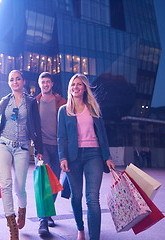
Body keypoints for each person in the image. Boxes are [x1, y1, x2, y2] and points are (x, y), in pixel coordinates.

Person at [0, 70, 43, 240]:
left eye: (18, 79)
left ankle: (22, 209)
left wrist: (39, 149)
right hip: (3, 144)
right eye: (11, 79)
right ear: (9, 83)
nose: (15, 82)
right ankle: (12, 227)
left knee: (19, 187)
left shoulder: (31, 102)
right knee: (5, 184)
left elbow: (36, 126)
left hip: (23, 148)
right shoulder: (4, 102)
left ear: (23, 81)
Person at [57, 73, 115, 240]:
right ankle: (80, 228)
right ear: (70, 88)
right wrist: (63, 158)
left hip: (94, 155)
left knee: (93, 199)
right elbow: (61, 137)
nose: (76, 87)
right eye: (73, 84)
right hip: (73, 157)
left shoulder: (94, 109)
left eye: (79, 84)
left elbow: (102, 134)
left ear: (84, 88)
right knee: (76, 196)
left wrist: (107, 157)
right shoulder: (64, 110)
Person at [35, 72, 66, 237]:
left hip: (59, 147)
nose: (45, 84)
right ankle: (43, 220)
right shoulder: (35, 102)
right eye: (43, 82)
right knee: (43, 183)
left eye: (48, 82)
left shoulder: (61, 102)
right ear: (39, 84)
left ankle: (47, 213)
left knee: (54, 183)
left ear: (52, 84)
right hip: (42, 148)